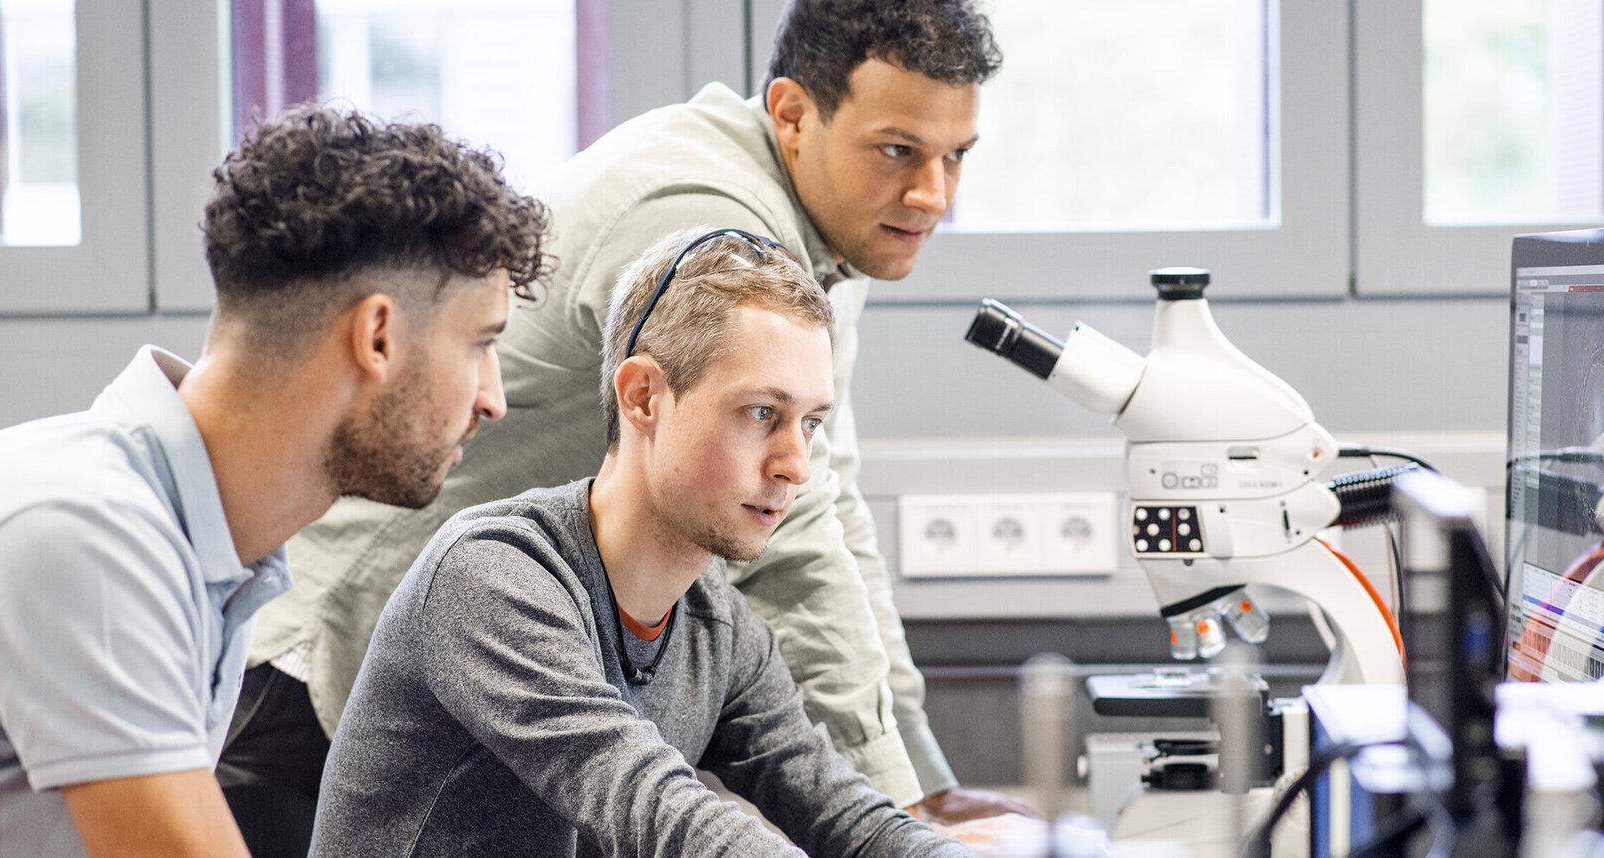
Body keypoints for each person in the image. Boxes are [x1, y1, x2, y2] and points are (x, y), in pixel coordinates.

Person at [242, 0, 1025, 823]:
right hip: (331, 658)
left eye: (956, 156)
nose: (932, 194)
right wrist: (906, 801)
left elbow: (833, 507)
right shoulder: (713, 226)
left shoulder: (834, 235)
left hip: (509, 656)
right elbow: (796, 550)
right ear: (794, 115)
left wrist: (917, 782)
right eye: (898, 150)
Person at [310, 227, 980, 857]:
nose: (795, 466)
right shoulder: (491, 578)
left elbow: (850, 818)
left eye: (809, 423)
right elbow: (660, 812)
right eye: (761, 413)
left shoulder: (718, 627)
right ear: (642, 397)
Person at [0, 104, 549, 857]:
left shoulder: (211, 542)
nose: (493, 399)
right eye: (480, 344)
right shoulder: (89, 531)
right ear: (378, 336)